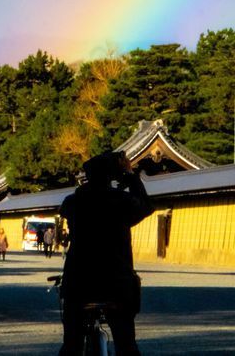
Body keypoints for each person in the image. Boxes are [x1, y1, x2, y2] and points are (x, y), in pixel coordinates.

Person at [58, 151, 155, 356]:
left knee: (71, 345)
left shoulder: (72, 203)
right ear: (112, 175)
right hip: (117, 282)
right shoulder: (122, 201)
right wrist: (130, 176)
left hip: (79, 282)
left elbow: (65, 210)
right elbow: (146, 206)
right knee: (126, 344)